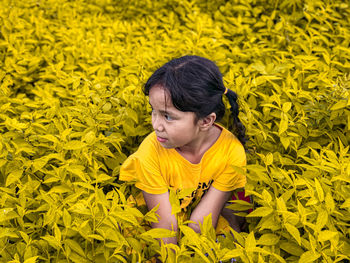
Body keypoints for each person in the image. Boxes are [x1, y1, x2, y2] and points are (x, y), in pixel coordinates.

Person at [119, 55, 247, 244]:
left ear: (206, 121)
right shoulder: (151, 151)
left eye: (168, 117)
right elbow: (165, 227)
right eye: (153, 111)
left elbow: (202, 222)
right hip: (157, 217)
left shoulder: (231, 151)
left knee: (229, 237)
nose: (156, 125)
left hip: (199, 211)